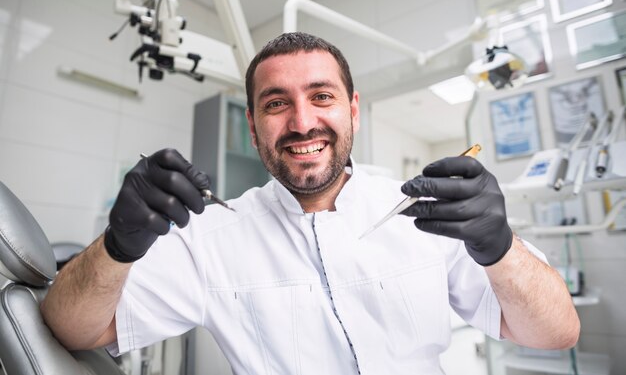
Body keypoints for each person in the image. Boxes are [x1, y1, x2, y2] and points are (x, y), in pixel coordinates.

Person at [41, 32, 579, 374]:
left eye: (321, 96)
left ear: (353, 110)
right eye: (277, 104)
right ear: (253, 127)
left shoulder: (427, 214)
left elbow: (556, 334)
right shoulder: (208, 237)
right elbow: (71, 330)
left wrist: (501, 247)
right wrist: (116, 247)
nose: (301, 123)